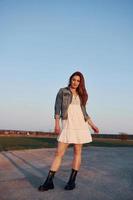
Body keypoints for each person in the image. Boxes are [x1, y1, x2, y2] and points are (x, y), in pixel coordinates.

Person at [38, 71, 99, 192]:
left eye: (78, 81)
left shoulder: (82, 95)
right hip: (68, 124)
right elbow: (57, 108)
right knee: (58, 153)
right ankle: (49, 181)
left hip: (81, 125)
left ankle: (71, 181)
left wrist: (93, 125)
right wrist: (56, 124)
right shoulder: (62, 91)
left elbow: (84, 113)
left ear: (80, 82)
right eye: (74, 80)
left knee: (77, 153)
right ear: (70, 80)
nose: (75, 82)